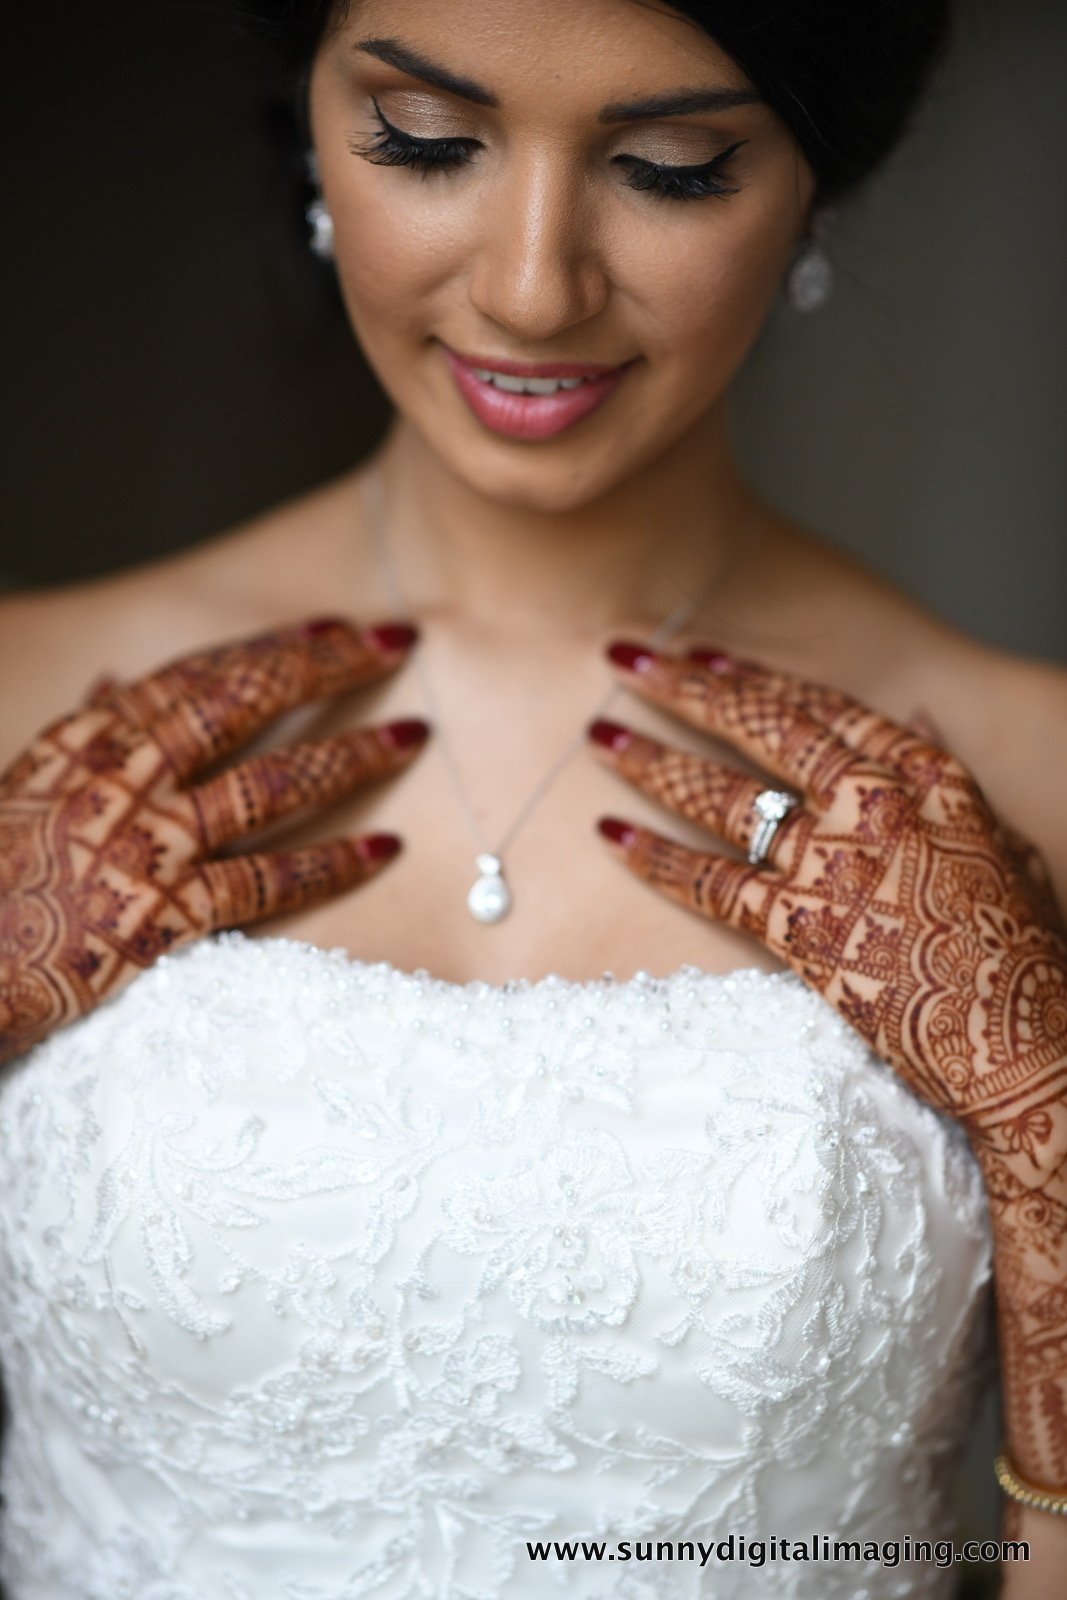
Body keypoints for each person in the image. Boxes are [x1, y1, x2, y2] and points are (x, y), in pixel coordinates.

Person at [0, 0, 1065, 1594]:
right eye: (427, 145)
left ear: (813, 187)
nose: (530, 288)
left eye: (675, 169)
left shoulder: (1031, 776)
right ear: (311, 125)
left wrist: (1045, 1129)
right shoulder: (25, 708)